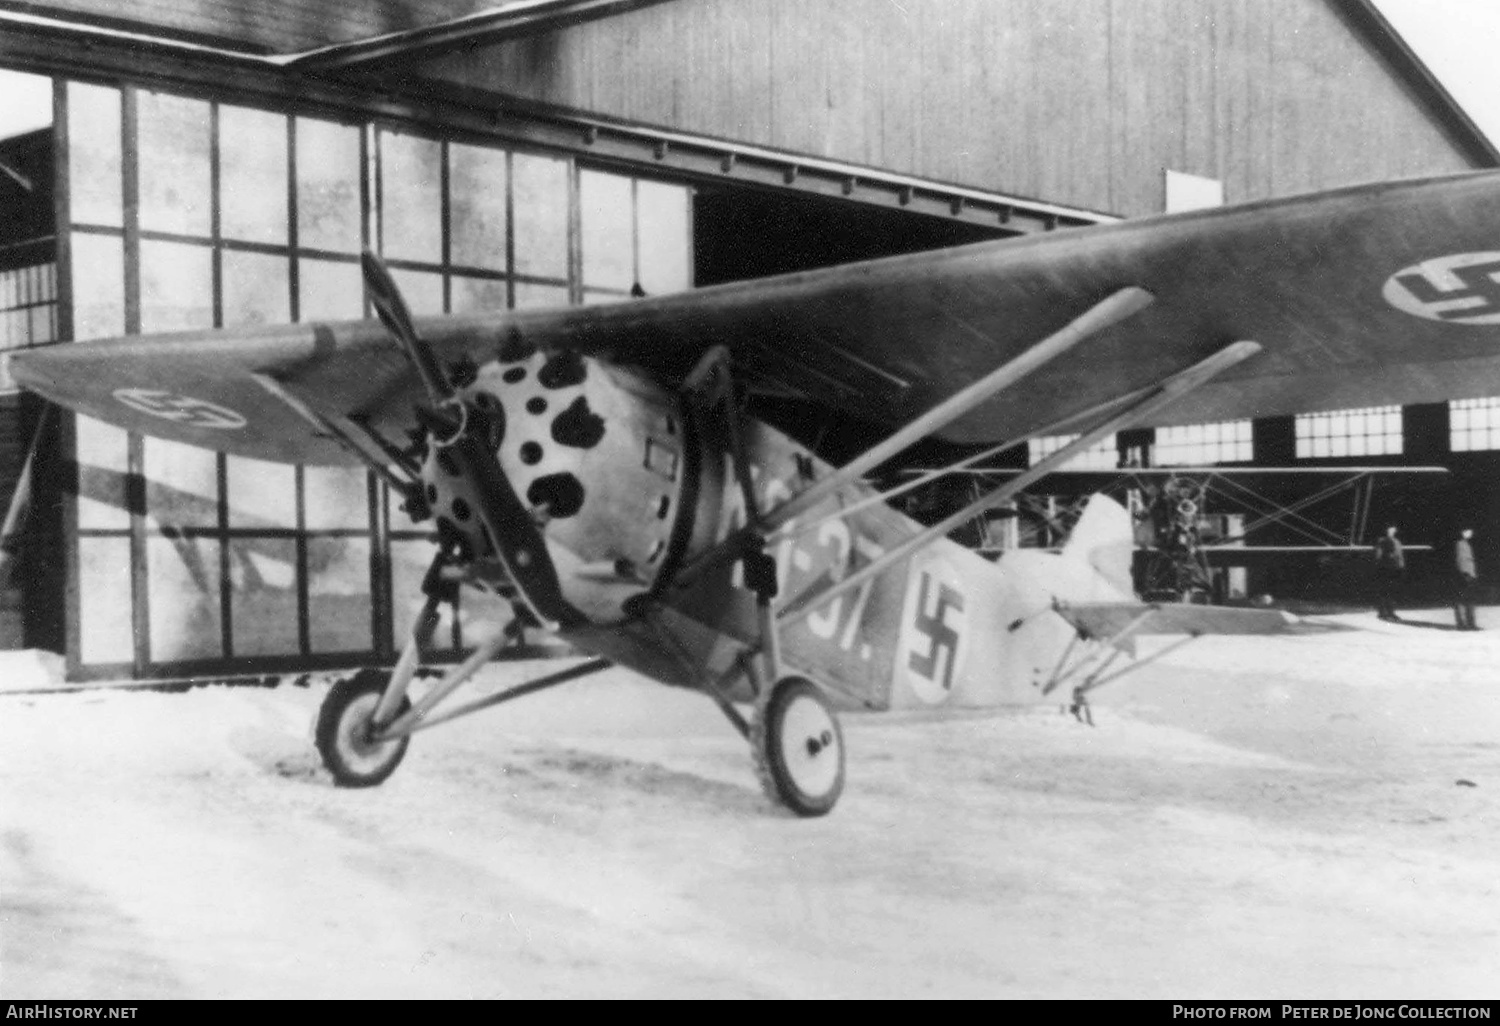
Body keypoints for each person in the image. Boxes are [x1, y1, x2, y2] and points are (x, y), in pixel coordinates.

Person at [1372, 524, 1405, 621]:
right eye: (1390, 529)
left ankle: (1391, 612)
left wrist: (1401, 567)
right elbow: (1378, 555)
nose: (1392, 531)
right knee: (1384, 590)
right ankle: (1382, 612)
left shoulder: (1396, 541)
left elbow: (1400, 555)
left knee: (1392, 591)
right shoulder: (1382, 541)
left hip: (1394, 569)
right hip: (1385, 569)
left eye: (1393, 529)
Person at [1453, 527, 1480, 631]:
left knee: (1470, 599)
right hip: (1465, 574)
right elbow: (1461, 559)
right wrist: (1465, 573)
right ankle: (1463, 624)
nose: (1471, 533)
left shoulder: (1466, 544)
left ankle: (1470, 623)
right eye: (1468, 531)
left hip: (1469, 574)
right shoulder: (1460, 544)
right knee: (1462, 599)